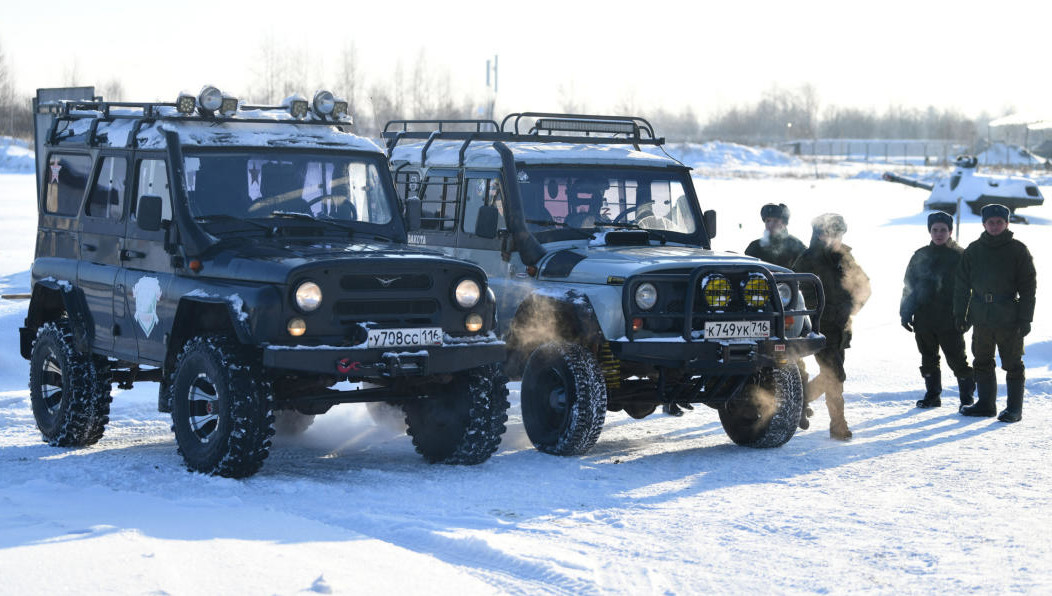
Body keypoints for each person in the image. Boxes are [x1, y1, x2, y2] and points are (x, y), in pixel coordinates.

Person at [954, 204, 1036, 423]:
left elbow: (1028, 287)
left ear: (1007, 223)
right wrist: (960, 315)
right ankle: (986, 404)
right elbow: (961, 286)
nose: (995, 226)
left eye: (1000, 222)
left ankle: (1014, 409)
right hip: (981, 316)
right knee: (981, 361)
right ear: (984, 224)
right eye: (991, 222)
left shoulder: (1018, 250)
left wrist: (1025, 318)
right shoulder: (973, 250)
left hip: (1009, 316)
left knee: (1013, 364)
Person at [792, 213, 871, 440]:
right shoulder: (808, 260)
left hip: (841, 327)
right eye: (827, 232)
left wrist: (850, 308)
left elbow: (864, 286)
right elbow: (796, 293)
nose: (833, 237)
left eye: (837, 233)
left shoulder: (845, 257)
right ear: (818, 234)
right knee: (835, 375)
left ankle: (800, 400)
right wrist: (819, 312)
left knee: (833, 374)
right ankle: (838, 425)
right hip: (819, 327)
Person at [900, 211, 975, 409]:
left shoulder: (961, 256)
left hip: (950, 319)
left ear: (950, 231)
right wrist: (905, 312)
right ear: (930, 231)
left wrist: (966, 316)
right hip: (924, 318)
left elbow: (971, 290)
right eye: (935, 230)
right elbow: (909, 286)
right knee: (928, 359)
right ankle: (932, 395)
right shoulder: (920, 255)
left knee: (957, 360)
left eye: (943, 230)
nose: (939, 234)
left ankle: (967, 398)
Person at [745, 203, 807, 269]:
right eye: (768, 221)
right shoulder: (755, 246)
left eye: (775, 221)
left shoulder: (795, 245)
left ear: (784, 223)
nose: (771, 224)